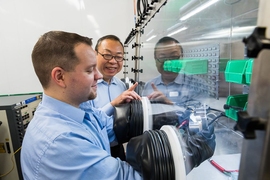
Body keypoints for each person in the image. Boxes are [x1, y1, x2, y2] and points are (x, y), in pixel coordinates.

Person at [20, 31, 143, 179]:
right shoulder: (61, 141)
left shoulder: (83, 108)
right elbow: (126, 177)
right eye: (90, 70)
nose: (98, 76)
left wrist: (156, 114)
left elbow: (111, 130)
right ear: (60, 76)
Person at [80, 35, 141, 160]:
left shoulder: (121, 85)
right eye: (107, 55)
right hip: (94, 150)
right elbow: (87, 123)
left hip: (117, 148)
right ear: (95, 54)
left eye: (118, 57)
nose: (113, 61)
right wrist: (114, 103)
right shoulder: (86, 86)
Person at [142, 36, 206, 106]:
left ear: (182, 57)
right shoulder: (149, 86)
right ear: (155, 59)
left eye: (174, 57)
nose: (168, 63)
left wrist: (170, 104)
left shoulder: (197, 85)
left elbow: (201, 113)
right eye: (162, 58)